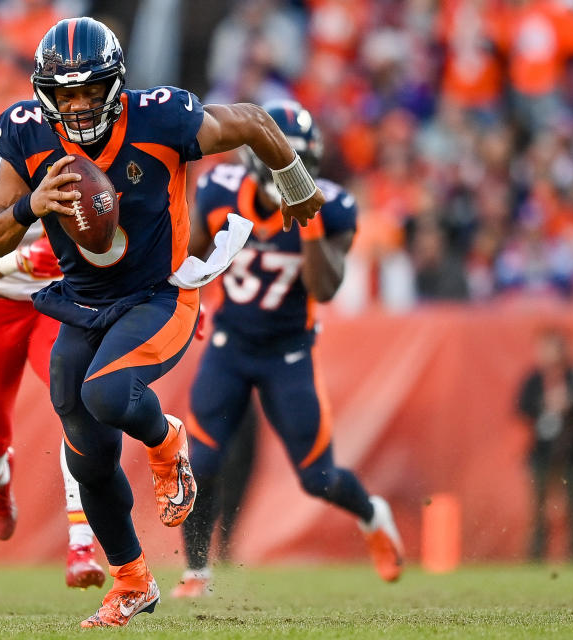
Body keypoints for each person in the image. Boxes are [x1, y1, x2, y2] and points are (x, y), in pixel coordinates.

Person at [0, 17, 324, 628]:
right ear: (44, 94)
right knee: (86, 455)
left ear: (114, 86)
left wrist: (294, 184)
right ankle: (132, 581)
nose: (76, 106)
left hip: (159, 296)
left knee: (107, 392)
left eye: (87, 91)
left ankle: (168, 443)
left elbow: (253, 121)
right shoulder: (27, 134)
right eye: (64, 94)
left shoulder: (161, 118)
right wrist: (33, 203)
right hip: (82, 302)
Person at [172, 100, 404, 599]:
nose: (296, 171)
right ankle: (197, 572)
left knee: (318, 477)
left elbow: (323, 289)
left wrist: (311, 221)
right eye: (287, 161)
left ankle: (372, 515)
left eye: (301, 162)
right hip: (230, 344)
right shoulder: (219, 191)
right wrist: (181, 309)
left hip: (288, 352)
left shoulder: (335, 206)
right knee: (202, 462)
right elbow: (189, 256)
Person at [0, 131, 105, 589]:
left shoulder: (95, 152)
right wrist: (19, 263)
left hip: (55, 303)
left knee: (79, 406)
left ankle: (81, 542)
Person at [517, 327, 573, 562]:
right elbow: (521, 407)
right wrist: (544, 403)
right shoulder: (534, 379)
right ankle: (536, 556)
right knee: (539, 507)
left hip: (570, 451)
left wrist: (568, 401)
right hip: (541, 451)